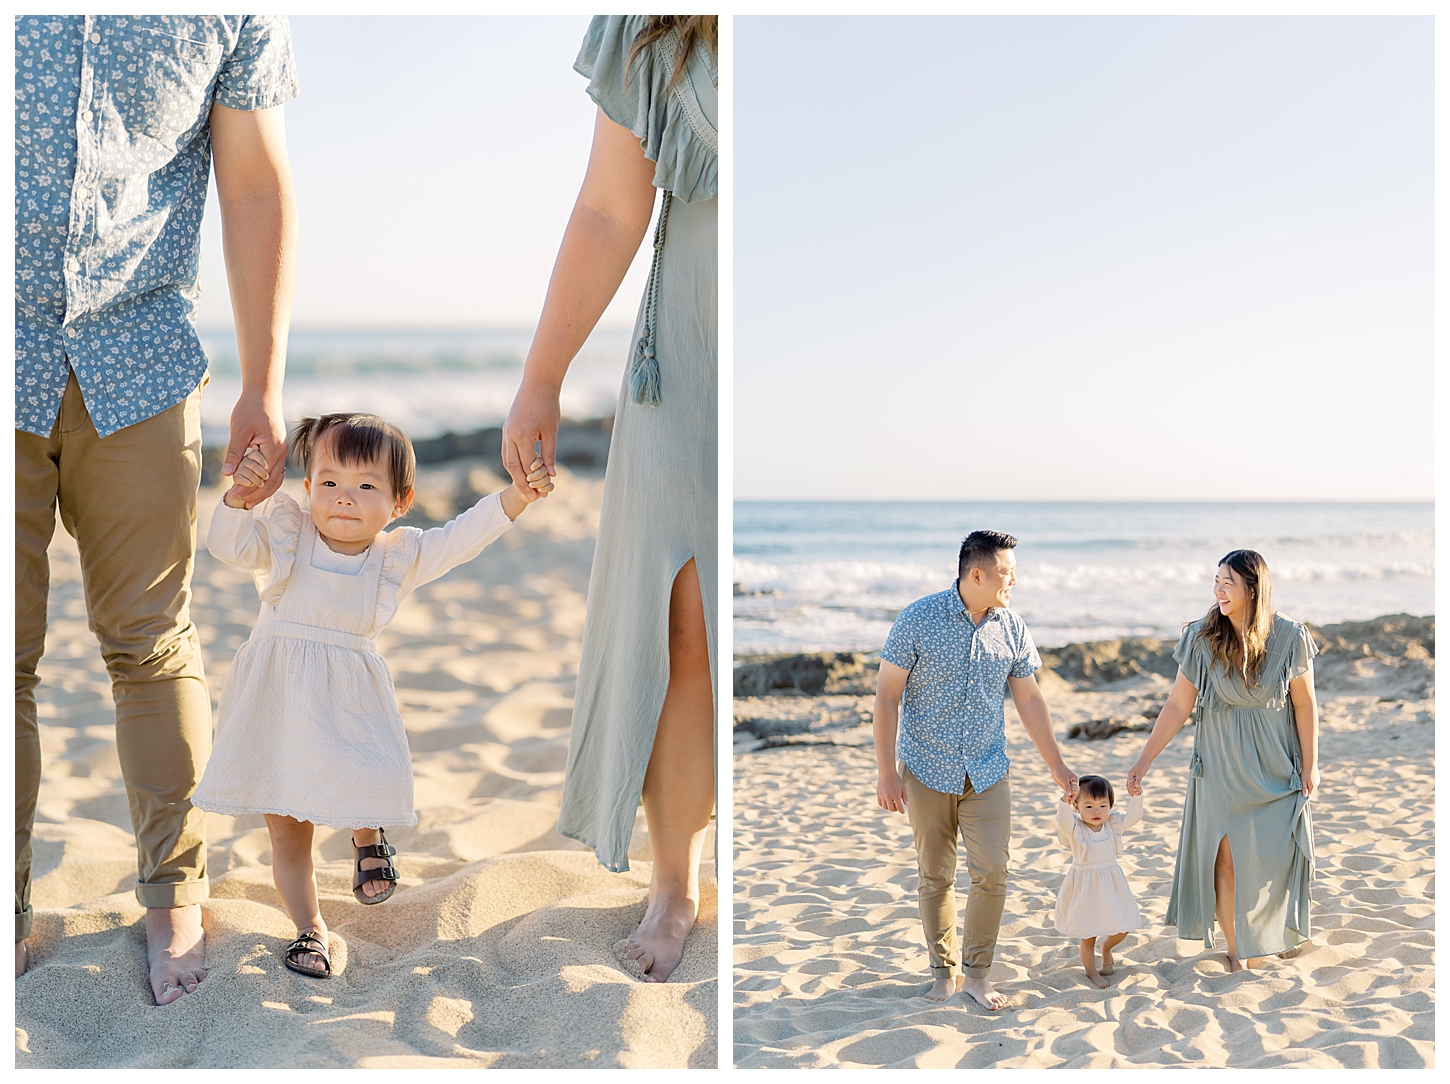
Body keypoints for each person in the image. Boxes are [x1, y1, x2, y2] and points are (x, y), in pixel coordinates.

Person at [15, 16, 299, 1002]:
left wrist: (262, 382)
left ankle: (175, 890)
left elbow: (253, 184)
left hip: (139, 363)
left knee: (149, 641)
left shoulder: (235, 14)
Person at [500, 15, 717, 983]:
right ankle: (677, 880)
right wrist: (542, 375)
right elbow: (607, 205)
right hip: (691, 355)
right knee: (684, 622)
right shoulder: (652, 22)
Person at [192, 413, 552, 977]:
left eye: (366, 486)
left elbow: (460, 538)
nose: (344, 498)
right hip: (277, 701)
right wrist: (238, 497)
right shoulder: (288, 535)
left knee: (362, 772)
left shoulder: (395, 558)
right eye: (329, 482)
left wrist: (517, 497)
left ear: (400, 501)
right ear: (308, 489)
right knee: (287, 833)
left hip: (348, 700)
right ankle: (310, 930)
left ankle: (367, 834)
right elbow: (226, 545)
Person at [874, 530, 1079, 1010]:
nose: (1015, 581)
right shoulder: (918, 619)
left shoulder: (1012, 627)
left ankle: (978, 974)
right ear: (977, 574)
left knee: (993, 873)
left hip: (988, 769)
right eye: (1008, 573)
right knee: (936, 875)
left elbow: (1029, 698)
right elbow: (886, 696)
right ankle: (942, 973)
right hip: (925, 767)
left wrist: (1058, 766)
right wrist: (886, 771)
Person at [1126, 549, 1319, 972]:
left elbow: (1304, 704)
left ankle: (1272, 933)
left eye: (1227, 582)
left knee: (1277, 853)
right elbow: (1178, 705)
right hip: (1219, 767)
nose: (1218, 590)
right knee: (1226, 857)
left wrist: (1310, 764)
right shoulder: (1202, 637)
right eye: (1216, 581)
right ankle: (1237, 949)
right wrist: (1145, 760)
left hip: (1273, 765)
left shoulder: (1289, 636)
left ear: (1253, 589)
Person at [1053, 775, 1145, 989]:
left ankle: (1107, 948)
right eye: (1089, 806)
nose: (1096, 811)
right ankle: (1092, 972)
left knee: (1123, 924)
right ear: (1077, 807)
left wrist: (1136, 796)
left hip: (1111, 883)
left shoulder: (1112, 824)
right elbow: (1062, 820)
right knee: (1088, 934)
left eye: (1103, 805)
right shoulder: (1076, 829)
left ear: (1110, 806)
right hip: (1085, 887)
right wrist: (1065, 800)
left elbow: (1134, 816)